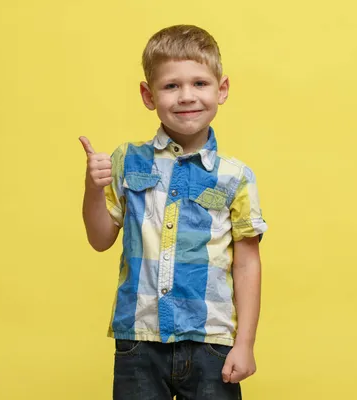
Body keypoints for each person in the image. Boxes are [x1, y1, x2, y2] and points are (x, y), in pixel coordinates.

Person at [80, 24, 268, 400]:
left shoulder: (235, 176)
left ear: (222, 89)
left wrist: (244, 343)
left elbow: (247, 264)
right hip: (139, 338)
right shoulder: (126, 160)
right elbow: (100, 239)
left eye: (200, 83)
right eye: (171, 86)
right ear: (149, 95)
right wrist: (92, 189)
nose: (186, 96)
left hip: (211, 341)